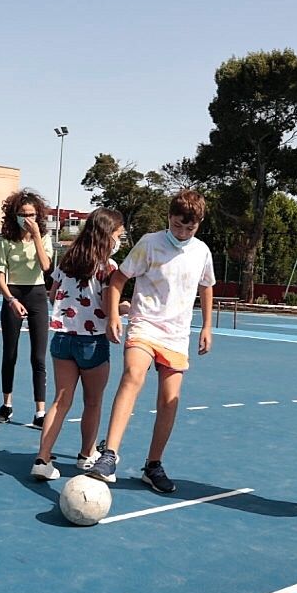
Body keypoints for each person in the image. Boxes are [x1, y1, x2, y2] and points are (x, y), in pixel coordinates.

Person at [88, 190, 215, 492]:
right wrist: (115, 316)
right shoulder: (150, 243)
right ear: (168, 218)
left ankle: (153, 465)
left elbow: (206, 286)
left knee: (169, 401)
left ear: (198, 224)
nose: (182, 233)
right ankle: (109, 456)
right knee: (133, 375)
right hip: (144, 325)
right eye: (177, 225)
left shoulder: (201, 252)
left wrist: (207, 326)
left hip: (176, 335)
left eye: (189, 228)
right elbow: (119, 279)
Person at [30, 209, 128, 480]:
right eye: (119, 235)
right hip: (92, 343)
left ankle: (42, 458)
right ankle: (86, 455)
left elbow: (53, 296)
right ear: (108, 235)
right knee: (93, 402)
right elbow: (109, 309)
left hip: (62, 338)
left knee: (60, 401)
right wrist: (125, 308)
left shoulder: (67, 261)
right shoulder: (108, 267)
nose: (120, 240)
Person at [0, 190, 54, 427]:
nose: (27, 218)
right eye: (22, 214)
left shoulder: (44, 237)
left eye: (31, 214)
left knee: (38, 357)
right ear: (14, 215)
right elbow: (0, 275)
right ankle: (6, 405)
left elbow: (46, 266)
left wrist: (36, 236)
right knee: (10, 354)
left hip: (37, 294)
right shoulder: (5, 240)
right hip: (13, 294)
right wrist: (11, 300)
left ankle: (40, 412)